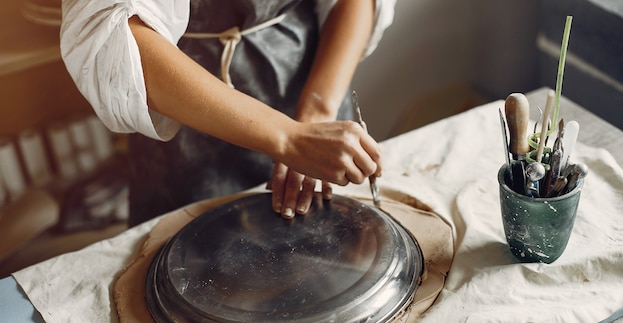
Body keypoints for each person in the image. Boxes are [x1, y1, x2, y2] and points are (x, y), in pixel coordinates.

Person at [60, 0, 396, 226]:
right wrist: (288, 137)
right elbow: (112, 33)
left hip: (311, 79)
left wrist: (318, 112)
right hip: (182, 107)